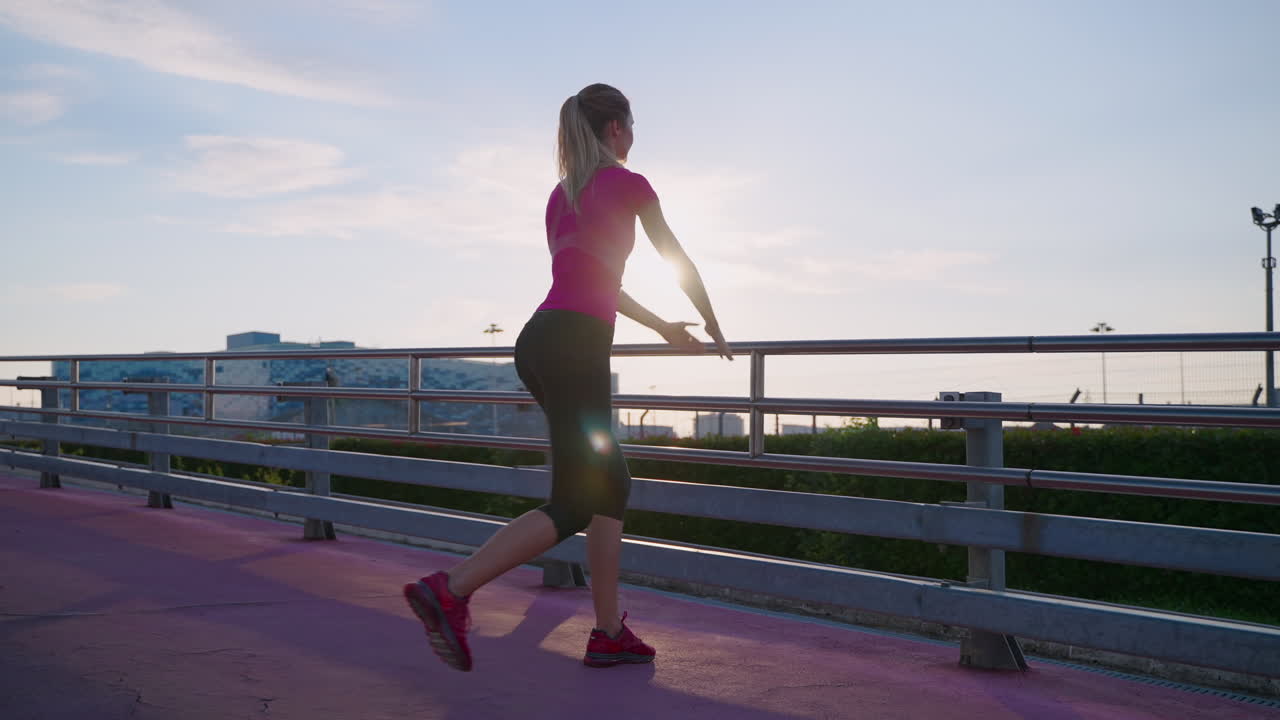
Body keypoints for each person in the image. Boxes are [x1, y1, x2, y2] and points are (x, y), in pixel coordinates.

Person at [403, 83, 732, 672]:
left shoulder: (563, 194)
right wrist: (712, 325)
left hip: (540, 339)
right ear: (614, 130)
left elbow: (597, 279)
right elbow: (676, 257)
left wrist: (661, 327)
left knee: (610, 485)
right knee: (575, 502)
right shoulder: (631, 184)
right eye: (631, 127)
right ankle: (449, 590)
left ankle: (608, 631)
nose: (634, 138)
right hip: (575, 346)